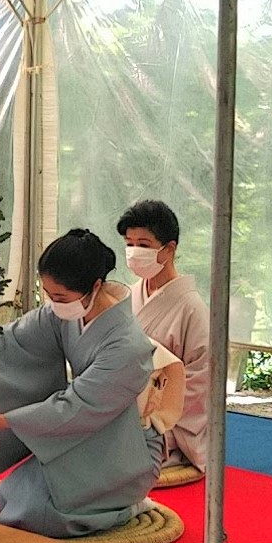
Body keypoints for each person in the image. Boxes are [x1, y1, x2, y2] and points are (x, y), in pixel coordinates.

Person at [0, 229, 162, 538]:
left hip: (125, 445)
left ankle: (129, 505)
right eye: (48, 295)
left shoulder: (127, 346)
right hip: (81, 433)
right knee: (8, 499)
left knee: (42, 517)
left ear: (96, 286)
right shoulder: (66, 312)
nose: (53, 304)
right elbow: (13, 341)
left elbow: (76, 407)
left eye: (60, 297)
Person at [117, 200, 209, 473]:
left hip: (163, 421)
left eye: (144, 245)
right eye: (130, 244)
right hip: (119, 407)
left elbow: (199, 381)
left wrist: (150, 410)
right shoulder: (128, 295)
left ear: (169, 249)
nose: (134, 252)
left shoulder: (193, 309)